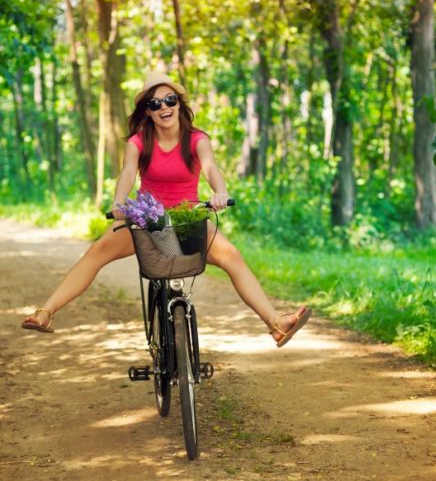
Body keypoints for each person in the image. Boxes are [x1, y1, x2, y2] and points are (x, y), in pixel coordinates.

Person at [22, 71, 311, 347]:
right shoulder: (138, 143)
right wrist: (119, 201)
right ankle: (45, 312)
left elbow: (211, 168)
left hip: (187, 221)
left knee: (232, 256)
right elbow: (127, 174)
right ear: (147, 111)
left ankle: (275, 323)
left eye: (170, 100)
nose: (164, 107)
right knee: (95, 253)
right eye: (155, 103)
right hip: (147, 221)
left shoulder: (198, 139)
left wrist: (220, 193)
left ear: (179, 104)